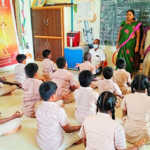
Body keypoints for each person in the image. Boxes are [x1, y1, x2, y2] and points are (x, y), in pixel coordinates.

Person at [36, 81, 81, 150]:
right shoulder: (59, 110)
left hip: (40, 143)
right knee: (78, 135)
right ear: (53, 96)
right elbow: (67, 130)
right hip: (54, 146)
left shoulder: (37, 107)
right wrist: (80, 126)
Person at [121, 74, 150, 145]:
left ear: (133, 86)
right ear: (147, 87)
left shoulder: (127, 97)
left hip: (128, 133)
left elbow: (124, 115)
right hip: (145, 136)